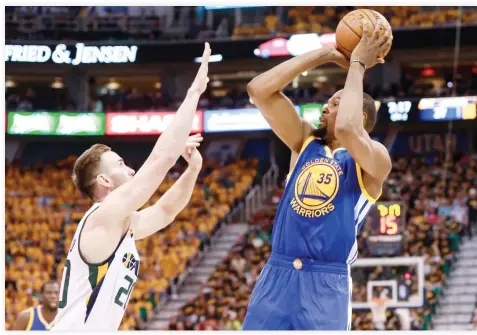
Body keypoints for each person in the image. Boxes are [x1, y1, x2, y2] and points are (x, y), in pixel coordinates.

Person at [243, 21, 393, 330]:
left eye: (335, 102)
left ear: (362, 115)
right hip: (278, 272)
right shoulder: (305, 141)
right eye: (327, 102)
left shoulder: (374, 158)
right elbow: (258, 90)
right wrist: (324, 54)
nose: (325, 107)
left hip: (325, 281)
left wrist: (357, 65)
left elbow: (349, 129)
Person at [51, 43, 211, 331]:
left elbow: (165, 211)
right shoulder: (103, 216)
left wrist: (193, 169)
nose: (131, 169)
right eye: (121, 164)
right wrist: (194, 92)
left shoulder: (121, 222)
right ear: (104, 180)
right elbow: (161, 158)